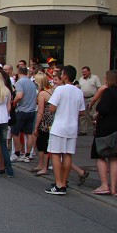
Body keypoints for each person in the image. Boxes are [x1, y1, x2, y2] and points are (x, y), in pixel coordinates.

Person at [90, 71, 117, 197]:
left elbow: (103, 109)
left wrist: (97, 110)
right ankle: (114, 187)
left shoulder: (108, 92)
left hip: (106, 127)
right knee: (115, 157)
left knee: (101, 155)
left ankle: (104, 185)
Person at [46, 65, 86, 195]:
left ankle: (58, 184)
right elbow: (82, 112)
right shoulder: (78, 91)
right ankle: (63, 182)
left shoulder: (60, 89)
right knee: (67, 154)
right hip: (72, 127)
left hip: (59, 126)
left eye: (61, 74)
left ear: (65, 76)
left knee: (56, 155)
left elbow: (52, 108)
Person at [11, 66, 38, 162]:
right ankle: (27, 154)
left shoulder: (19, 82)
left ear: (18, 73)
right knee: (29, 133)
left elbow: (19, 96)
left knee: (15, 132)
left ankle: (17, 153)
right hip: (31, 111)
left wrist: (13, 103)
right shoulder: (32, 83)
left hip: (21, 110)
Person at [32, 72, 54, 176]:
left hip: (45, 121)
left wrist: (36, 126)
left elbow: (40, 112)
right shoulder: (52, 90)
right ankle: (41, 165)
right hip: (52, 119)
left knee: (43, 144)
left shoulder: (42, 93)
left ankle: (43, 166)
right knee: (43, 143)